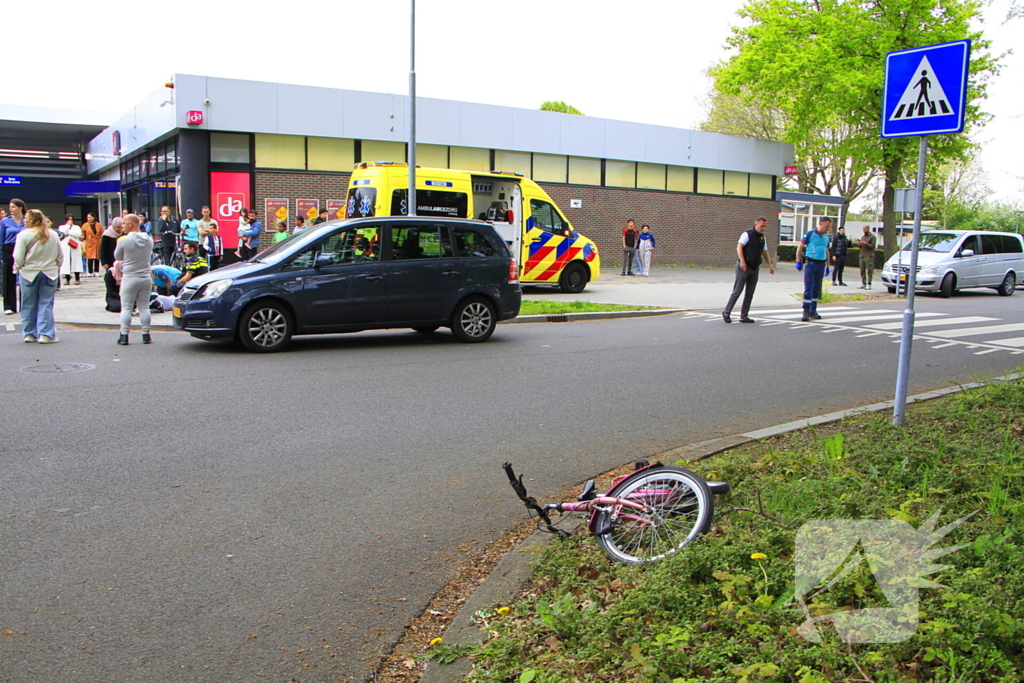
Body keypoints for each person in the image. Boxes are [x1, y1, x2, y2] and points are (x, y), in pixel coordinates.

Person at [13, 209, 62, 343]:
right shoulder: (52, 234)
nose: (24, 220)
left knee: (28, 304)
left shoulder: (23, 235)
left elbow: (18, 256)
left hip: (29, 272)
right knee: (46, 303)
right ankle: (46, 334)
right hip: (49, 272)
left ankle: (29, 333)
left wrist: (18, 266)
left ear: (32, 220)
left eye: (26, 218)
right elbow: (60, 254)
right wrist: (57, 265)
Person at [722, 217, 775, 324]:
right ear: (756, 225)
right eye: (762, 226)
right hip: (744, 266)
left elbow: (765, 252)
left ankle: (744, 316)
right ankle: (726, 312)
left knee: (749, 293)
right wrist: (742, 261)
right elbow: (739, 247)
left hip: (755, 267)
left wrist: (770, 264)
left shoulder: (762, 238)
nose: (764, 228)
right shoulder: (747, 234)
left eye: (765, 226)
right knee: (737, 291)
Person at [114, 214, 154, 345]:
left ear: (131, 224)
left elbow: (117, 256)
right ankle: (146, 334)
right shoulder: (149, 239)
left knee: (126, 307)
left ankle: (124, 335)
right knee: (144, 306)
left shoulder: (124, 240)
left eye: (124, 223)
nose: (122, 225)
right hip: (145, 277)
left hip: (130, 277)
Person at [796, 217, 833, 322]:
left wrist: (827, 265)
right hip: (811, 263)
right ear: (821, 224)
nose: (827, 229)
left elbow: (826, 250)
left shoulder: (826, 236)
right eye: (826, 226)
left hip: (821, 265)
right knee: (809, 287)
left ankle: (813, 310)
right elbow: (800, 246)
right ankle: (806, 310)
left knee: (816, 288)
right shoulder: (810, 234)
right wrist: (798, 261)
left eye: (829, 227)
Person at [2, 198, 28, 314]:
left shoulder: (27, 221)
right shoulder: (5, 222)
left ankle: (25, 305)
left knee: (25, 276)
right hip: (9, 248)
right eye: (10, 207)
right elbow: (1, 238)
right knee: (8, 278)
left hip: (24, 249)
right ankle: (9, 306)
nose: (10, 209)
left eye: (13, 207)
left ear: (20, 208)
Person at [100, 217, 124, 311]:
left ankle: (119, 297)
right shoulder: (107, 234)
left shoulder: (123, 234)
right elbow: (103, 249)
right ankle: (111, 297)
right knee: (111, 279)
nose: (119, 229)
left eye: (120, 227)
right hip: (110, 260)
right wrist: (104, 261)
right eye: (117, 227)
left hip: (120, 261)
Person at [58, 214, 84, 286]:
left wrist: (70, 232)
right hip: (66, 246)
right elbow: (62, 233)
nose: (70, 221)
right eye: (69, 219)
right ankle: (67, 279)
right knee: (66, 263)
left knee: (76, 262)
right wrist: (68, 228)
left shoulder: (76, 227)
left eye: (71, 219)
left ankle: (77, 279)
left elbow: (78, 234)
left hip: (74, 246)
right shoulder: (62, 227)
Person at [857, 225, 877, 290]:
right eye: (863, 229)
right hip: (862, 255)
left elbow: (872, 246)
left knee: (869, 270)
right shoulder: (863, 237)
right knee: (862, 270)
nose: (864, 230)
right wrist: (860, 244)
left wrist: (865, 243)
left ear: (868, 229)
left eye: (865, 229)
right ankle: (863, 283)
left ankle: (869, 283)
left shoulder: (872, 237)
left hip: (869, 255)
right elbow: (860, 247)